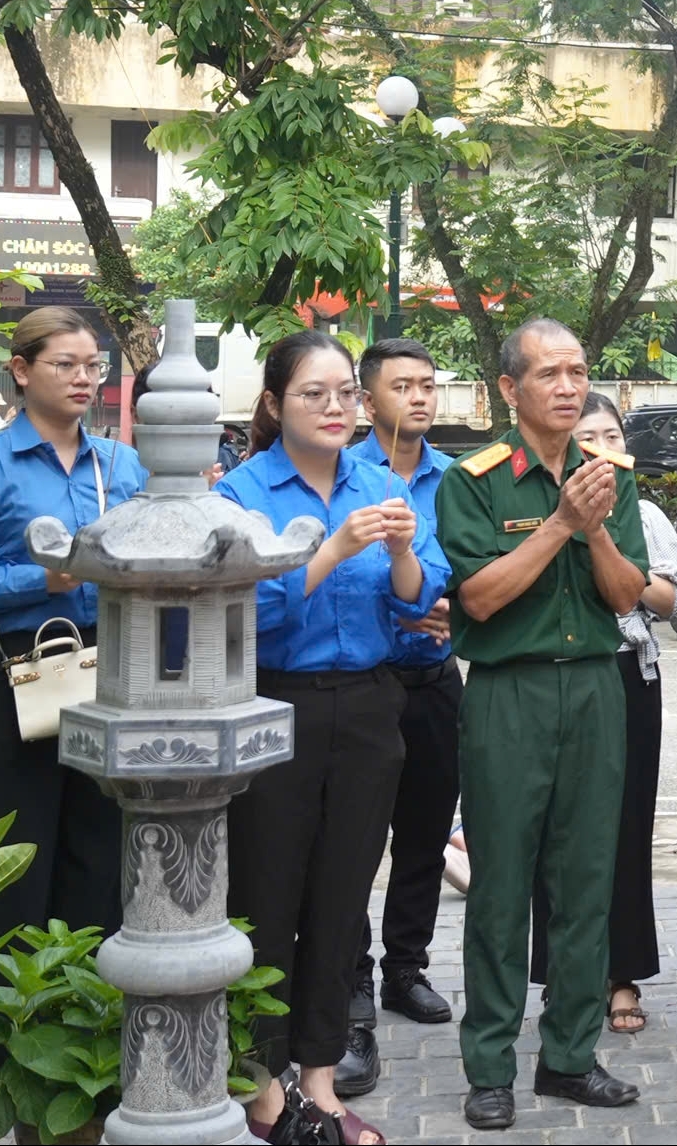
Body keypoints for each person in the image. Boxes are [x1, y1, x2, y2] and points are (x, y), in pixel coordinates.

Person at [219, 330, 446, 1146]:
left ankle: (319, 1078)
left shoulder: (379, 480)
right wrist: (332, 549)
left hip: (370, 707)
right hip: (276, 705)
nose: (336, 408)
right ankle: (260, 1082)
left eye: (346, 392)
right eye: (315, 393)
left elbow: (419, 602)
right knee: (267, 896)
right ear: (276, 403)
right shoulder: (243, 492)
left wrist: (398, 553)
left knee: (343, 898)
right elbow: (245, 617)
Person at [437, 319, 649, 1130]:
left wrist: (592, 527)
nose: (567, 386)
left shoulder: (611, 477)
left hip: (597, 689)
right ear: (508, 389)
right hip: (508, 695)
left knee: (588, 880)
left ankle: (569, 1056)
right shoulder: (476, 479)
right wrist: (560, 523)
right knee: (500, 887)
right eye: (549, 373)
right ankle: (489, 1065)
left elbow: (628, 596)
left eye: (578, 371)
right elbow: (480, 599)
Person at [0, 308, 143, 989]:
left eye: (94, 365)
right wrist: (44, 578)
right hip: (18, 667)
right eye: (66, 364)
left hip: (108, 665)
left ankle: (86, 1017)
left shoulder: (123, 463)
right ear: (22, 370)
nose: (85, 378)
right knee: (11, 850)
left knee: (99, 845)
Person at [526, 394, 677, 1036]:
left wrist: (615, 553)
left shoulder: (642, 512)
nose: (599, 446)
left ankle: (622, 975)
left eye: (610, 434)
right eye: (586, 435)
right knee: (554, 835)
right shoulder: (536, 505)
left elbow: (671, 602)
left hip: (626, 677)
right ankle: (565, 974)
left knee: (624, 830)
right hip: (554, 677)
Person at [346, 341, 456, 1087]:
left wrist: (450, 609)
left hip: (439, 680)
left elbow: (471, 576)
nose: (419, 398)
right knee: (352, 842)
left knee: (424, 836)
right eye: (402, 386)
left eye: (428, 385)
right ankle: (347, 976)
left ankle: (406, 969)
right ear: (366, 397)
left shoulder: (458, 480)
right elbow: (351, 582)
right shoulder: (347, 472)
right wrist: (407, 609)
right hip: (366, 680)